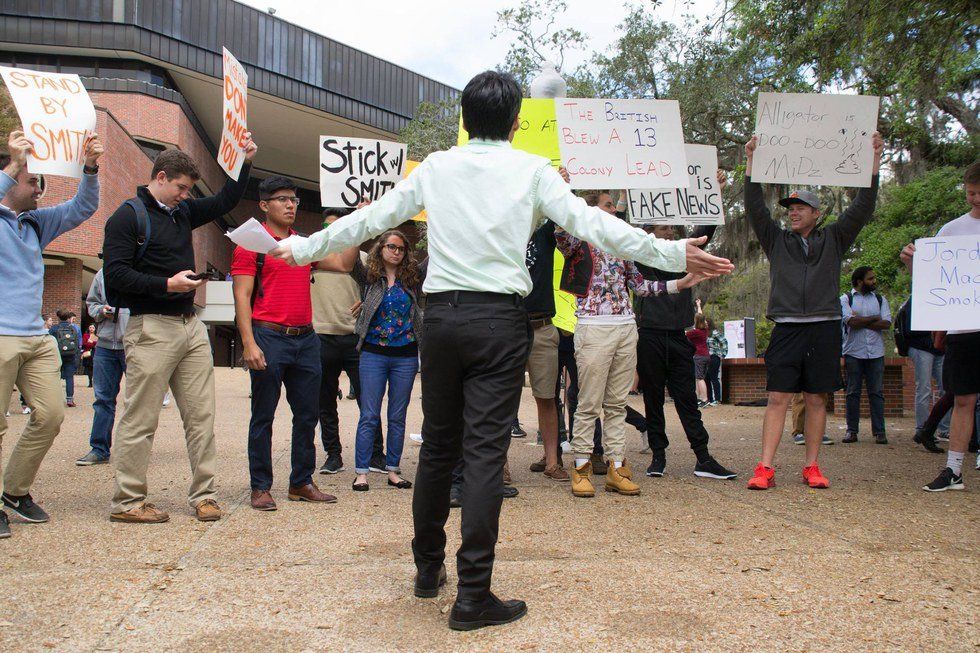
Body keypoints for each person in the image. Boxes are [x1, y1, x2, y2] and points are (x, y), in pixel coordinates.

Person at [270, 71, 732, 630]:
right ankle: (472, 595)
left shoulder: (438, 166)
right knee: (485, 452)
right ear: (516, 124)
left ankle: (425, 570)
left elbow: (372, 219)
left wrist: (299, 248)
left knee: (439, 446)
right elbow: (595, 226)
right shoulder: (533, 170)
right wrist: (671, 251)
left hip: (440, 320)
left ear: (466, 120)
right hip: (499, 322)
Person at [103, 138, 257, 524]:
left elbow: (223, 202)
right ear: (160, 177)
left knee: (201, 416)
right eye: (181, 188)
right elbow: (115, 277)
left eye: (189, 191)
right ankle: (128, 502)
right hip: (150, 326)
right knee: (140, 418)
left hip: (190, 326)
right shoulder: (127, 216)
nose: (186, 196)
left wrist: (243, 163)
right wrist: (166, 285)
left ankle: (205, 495)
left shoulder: (182, 212)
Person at [744, 130, 883, 490]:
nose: (792, 213)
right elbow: (755, 209)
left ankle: (812, 466)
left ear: (816, 214)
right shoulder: (776, 240)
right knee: (777, 397)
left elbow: (863, 206)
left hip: (823, 327)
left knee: (816, 398)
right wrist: (750, 164)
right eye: (789, 209)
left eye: (800, 208)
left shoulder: (835, 239)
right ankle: (765, 468)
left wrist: (874, 163)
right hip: (787, 328)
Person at [556, 191, 711, 498]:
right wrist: (564, 190)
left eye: (615, 205)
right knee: (588, 403)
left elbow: (639, 285)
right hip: (592, 327)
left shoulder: (623, 245)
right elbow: (560, 229)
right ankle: (583, 466)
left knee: (616, 403)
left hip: (626, 327)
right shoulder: (577, 240)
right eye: (609, 205)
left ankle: (616, 466)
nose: (616, 210)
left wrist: (679, 284)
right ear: (591, 211)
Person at [0, 129, 103, 538]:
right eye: (31, 181)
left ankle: (14, 491)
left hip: (35, 338)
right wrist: (12, 163)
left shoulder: (35, 224)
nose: (39, 190)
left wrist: (90, 167)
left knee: (51, 414)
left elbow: (83, 206)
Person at [232, 175, 337, 511]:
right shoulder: (250, 245)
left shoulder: (303, 245)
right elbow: (242, 297)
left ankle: (301, 482)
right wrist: (249, 343)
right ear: (264, 205)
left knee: (307, 415)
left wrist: (354, 219)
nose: (291, 205)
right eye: (282, 199)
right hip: (268, 335)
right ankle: (260, 486)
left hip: (306, 338)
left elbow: (344, 263)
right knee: (262, 416)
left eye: (294, 199)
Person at [633, 215, 737, 480]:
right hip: (649, 336)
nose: (669, 232)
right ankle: (658, 456)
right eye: (662, 228)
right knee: (653, 399)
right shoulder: (640, 260)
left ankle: (703, 457)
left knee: (687, 400)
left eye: (671, 228)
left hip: (678, 336)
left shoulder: (683, 259)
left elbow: (703, 236)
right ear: (649, 232)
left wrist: (715, 199)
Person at [901, 161, 980, 491]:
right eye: (971, 194)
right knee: (963, 399)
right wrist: (913, 263)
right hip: (964, 330)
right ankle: (954, 470)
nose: (975, 200)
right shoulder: (951, 230)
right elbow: (935, 283)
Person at [311, 208, 384, 475]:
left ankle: (376, 454)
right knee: (325, 402)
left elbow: (378, 290)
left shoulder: (362, 259)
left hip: (356, 338)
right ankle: (333, 454)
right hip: (321, 336)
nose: (332, 230)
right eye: (327, 225)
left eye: (339, 226)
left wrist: (366, 301)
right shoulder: (312, 256)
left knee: (369, 399)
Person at [347, 230, 422, 492]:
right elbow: (350, 259)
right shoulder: (369, 277)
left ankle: (393, 470)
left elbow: (435, 257)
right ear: (381, 248)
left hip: (405, 355)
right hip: (373, 353)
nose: (396, 252)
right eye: (391, 247)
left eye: (401, 248)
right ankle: (362, 472)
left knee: (398, 416)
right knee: (369, 414)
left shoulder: (412, 279)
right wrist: (361, 222)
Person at [76, 268, 130, 465]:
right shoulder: (102, 274)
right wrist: (100, 310)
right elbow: (91, 303)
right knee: (103, 400)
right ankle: (99, 449)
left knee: (137, 402)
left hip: (132, 345)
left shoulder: (139, 270)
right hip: (105, 345)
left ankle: (132, 449)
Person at [840, 266, 891, 444]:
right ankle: (852, 431)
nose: (873, 281)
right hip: (854, 352)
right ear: (859, 281)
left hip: (876, 352)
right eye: (870, 279)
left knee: (876, 392)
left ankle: (879, 432)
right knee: (852, 392)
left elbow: (886, 324)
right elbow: (851, 322)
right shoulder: (846, 299)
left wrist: (861, 320)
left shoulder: (880, 298)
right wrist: (873, 319)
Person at [896, 297, 949, 451]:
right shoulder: (915, 300)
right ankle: (923, 428)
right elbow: (910, 328)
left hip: (939, 349)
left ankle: (944, 430)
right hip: (921, 347)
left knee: (947, 389)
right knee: (924, 388)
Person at [49, 309, 82, 407]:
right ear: (68, 318)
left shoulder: (54, 329)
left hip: (57, 355)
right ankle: (70, 399)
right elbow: (77, 343)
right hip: (70, 355)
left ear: (58, 317)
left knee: (54, 376)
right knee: (69, 378)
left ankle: (54, 399)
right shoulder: (74, 328)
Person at [687, 313, 711, 408]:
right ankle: (699, 398)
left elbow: (684, 335)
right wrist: (699, 306)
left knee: (699, 378)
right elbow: (701, 316)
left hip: (699, 356)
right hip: (705, 356)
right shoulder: (704, 330)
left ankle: (704, 399)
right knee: (698, 377)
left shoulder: (695, 332)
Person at [705, 318, 726, 406]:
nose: (705, 324)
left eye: (706, 323)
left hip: (714, 357)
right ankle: (710, 399)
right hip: (705, 358)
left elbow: (724, 342)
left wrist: (722, 354)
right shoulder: (704, 333)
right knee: (706, 378)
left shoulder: (715, 333)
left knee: (714, 378)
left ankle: (717, 399)